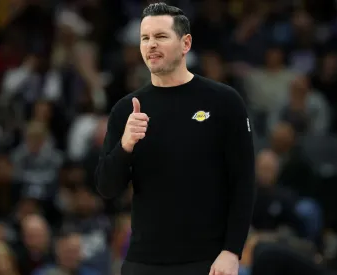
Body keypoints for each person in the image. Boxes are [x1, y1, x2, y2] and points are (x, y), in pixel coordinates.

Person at [95, 2, 255, 275]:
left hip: (207, 260)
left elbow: (243, 181)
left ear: (185, 43)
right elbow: (106, 188)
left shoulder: (224, 101)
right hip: (143, 261)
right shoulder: (126, 109)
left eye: (161, 37)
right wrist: (125, 145)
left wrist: (231, 251)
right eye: (145, 38)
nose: (150, 45)